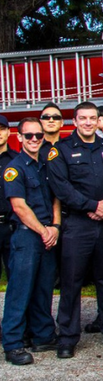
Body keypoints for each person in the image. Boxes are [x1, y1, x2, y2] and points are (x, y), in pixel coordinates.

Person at [47, 101, 103, 358]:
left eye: (93, 118)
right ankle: (67, 337)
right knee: (71, 282)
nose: (89, 122)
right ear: (75, 121)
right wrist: (91, 206)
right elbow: (61, 187)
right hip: (78, 225)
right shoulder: (61, 151)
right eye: (84, 118)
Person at [2, 118, 61, 365]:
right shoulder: (14, 168)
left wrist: (55, 227)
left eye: (38, 136)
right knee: (20, 290)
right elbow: (19, 206)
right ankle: (13, 343)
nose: (35, 139)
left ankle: (43, 335)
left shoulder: (46, 166)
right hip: (27, 235)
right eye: (29, 136)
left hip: (47, 234)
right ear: (20, 138)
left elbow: (57, 198)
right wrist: (43, 231)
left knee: (44, 288)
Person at [0, 115, 15, 280]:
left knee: (15, 276)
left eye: (1, 129)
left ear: (8, 132)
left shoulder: (17, 159)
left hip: (11, 225)